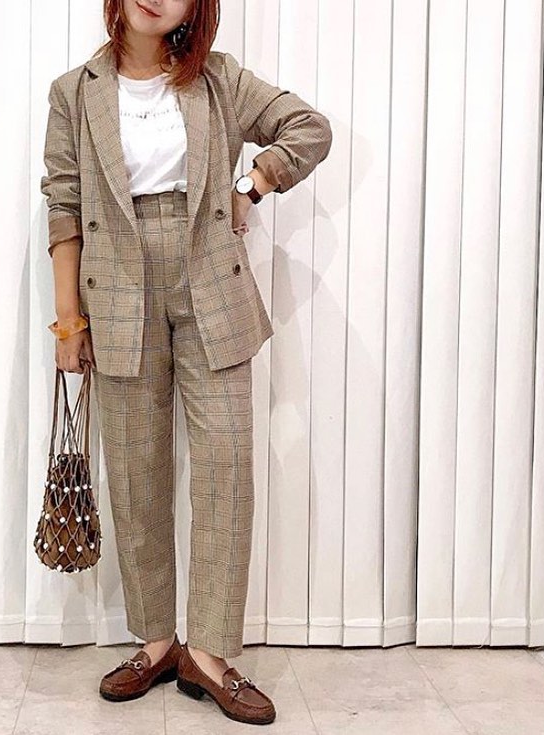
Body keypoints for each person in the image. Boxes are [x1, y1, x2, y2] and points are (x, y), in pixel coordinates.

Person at [41, 0, 332, 725]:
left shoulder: (218, 79)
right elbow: (64, 204)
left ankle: (208, 653)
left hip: (211, 279)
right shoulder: (74, 92)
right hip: (116, 285)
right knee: (136, 472)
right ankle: (156, 641)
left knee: (226, 465)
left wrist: (251, 185)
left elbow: (309, 128)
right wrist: (68, 320)